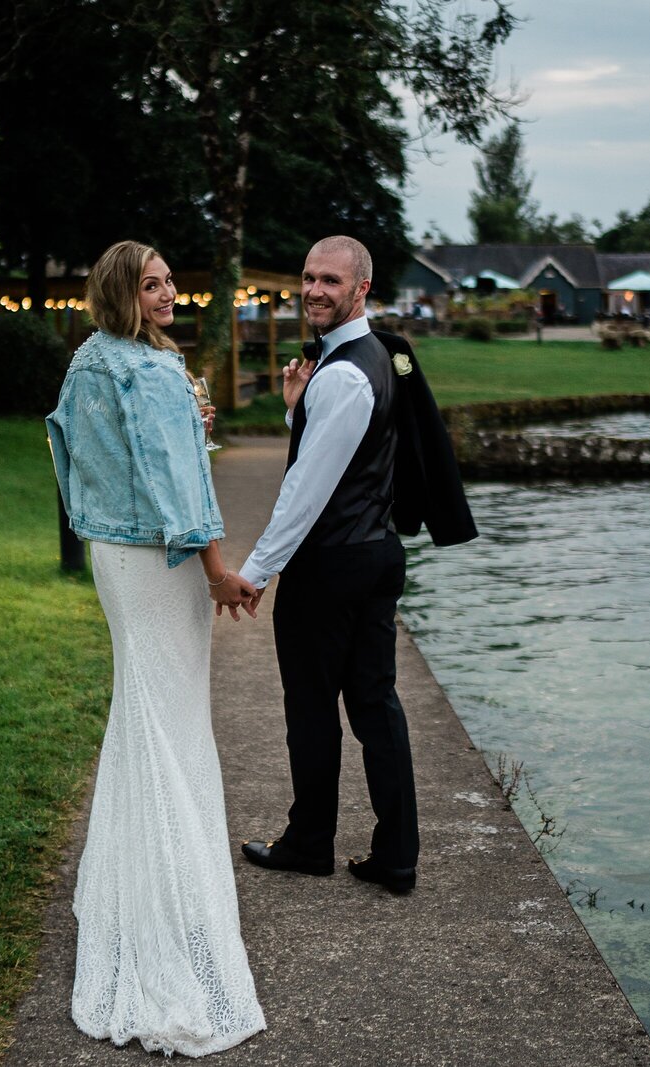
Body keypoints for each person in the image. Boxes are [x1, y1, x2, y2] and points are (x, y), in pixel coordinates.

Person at [45, 240, 265, 1056]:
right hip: (166, 562)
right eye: (152, 283)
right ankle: (176, 910)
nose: (170, 293)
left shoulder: (89, 361)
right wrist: (215, 570)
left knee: (140, 710)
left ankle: (135, 891)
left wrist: (176, 434)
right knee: (171, 720)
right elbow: (180, 484)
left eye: (172, 281)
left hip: (113, 556)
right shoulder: (154, 371)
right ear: (120, 291)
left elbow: (67, 448)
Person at [236, 236, 475, 898]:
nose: (314, 289)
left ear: (360, 288)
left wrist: (254, 571)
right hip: (375, 555)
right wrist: (294, 406)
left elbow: (307, 491)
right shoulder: (376, 358)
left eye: (330, 280)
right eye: (308, 277)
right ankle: (396, 856)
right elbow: (354, 454)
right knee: (376, 705)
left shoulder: (342, 374)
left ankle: (310, 843)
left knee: (313, 708)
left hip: (331, 565)